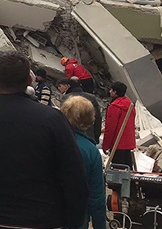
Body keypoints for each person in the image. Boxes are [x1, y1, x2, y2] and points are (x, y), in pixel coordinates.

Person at [0, 51, 87, 229]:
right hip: (43, 218)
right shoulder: (52, 119)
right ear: (29, 81)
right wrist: (73, 221)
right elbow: (74, 175)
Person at [61, 96, 106, 229]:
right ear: (90, 120)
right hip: (76, 219)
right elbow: (96, 198)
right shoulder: (90, 151)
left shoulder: (47, 141)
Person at [103, 82, 136, 169]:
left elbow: (110, 128)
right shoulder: (130, 105)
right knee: (128, 168)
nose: (110, 91)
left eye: (111, 90)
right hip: (128, 142)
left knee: (118, 171)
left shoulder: (114, 107)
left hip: (117, 143)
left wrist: (105, 145)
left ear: (115, 92)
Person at [57, 78, 102, 142]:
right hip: (89, 135)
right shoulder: (91, 97)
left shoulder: (65, 98)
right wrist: (97, 135)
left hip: (70, 135)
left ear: (68, 86)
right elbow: (97, 117)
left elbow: (62, 118)